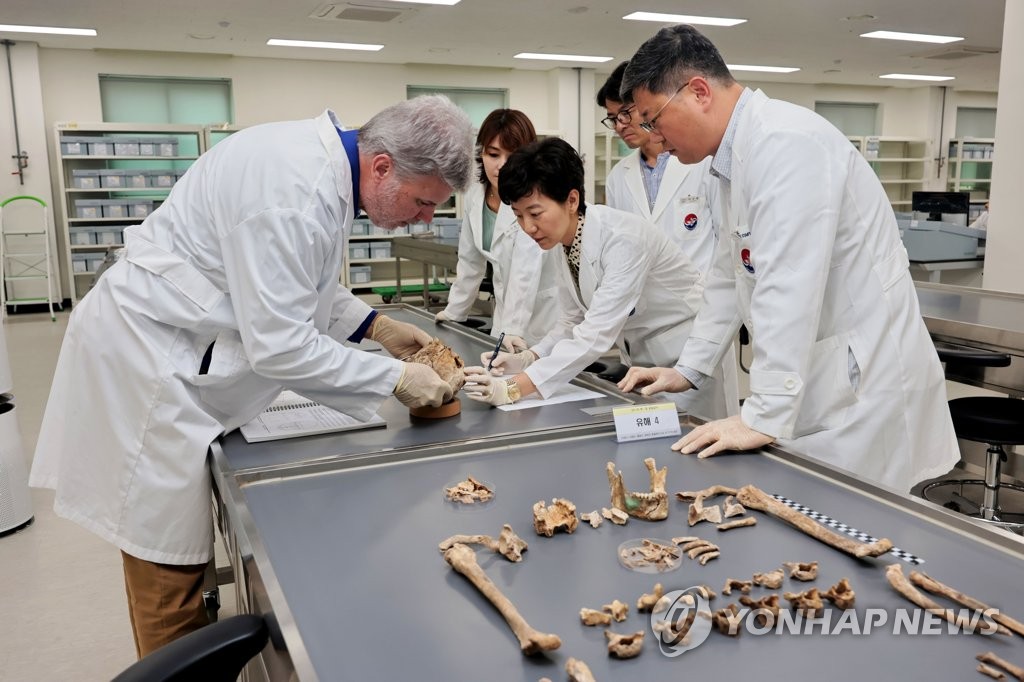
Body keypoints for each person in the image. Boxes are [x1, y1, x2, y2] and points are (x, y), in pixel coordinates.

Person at [29, 95, 475, 657]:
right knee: (167, 567)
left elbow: (295, 281)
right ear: (383, 166)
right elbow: (282, 347)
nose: (425, 219)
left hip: (181, 350)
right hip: (150, 366)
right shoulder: (293, 192)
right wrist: (393, 380)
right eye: (421, 202)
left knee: (177, 558)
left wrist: (372, 323)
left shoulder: (321, 171)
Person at [616, 24, 959, 492]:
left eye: (653, 118)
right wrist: (688, 368)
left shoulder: (786, 144)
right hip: (827, 376)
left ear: (698, 92)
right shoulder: (729, 163)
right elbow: (728, 273)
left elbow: (787, 284)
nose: (651, 134)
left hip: (865, 384)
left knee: (867, 533)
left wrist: (762, 414)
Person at [462, 137, 735, 421]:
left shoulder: (624, 240)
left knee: (697, 443)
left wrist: (513, 388)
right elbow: (571, 321)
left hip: (687, 356)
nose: (528, 227)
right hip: (642, 360)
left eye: (535, 213)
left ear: (571, 200)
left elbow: (594, 335)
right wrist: (529, 357)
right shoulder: (562, 241)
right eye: (518, 216)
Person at [435, 109, 561, 351]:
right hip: (506, 314)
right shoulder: (475, 194)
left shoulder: (534, 198)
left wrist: (512, 331)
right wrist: (454, 313)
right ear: (480, 152)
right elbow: (470, 262)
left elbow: (525, 272)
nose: (502, 165)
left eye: (512, 155)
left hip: (542, 318)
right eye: (493, 154)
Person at [597, 61, 719, 273]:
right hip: (644, 297)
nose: (619, 125)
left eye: (625, 113)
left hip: (700, 297)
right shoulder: (617, 177)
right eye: (612, 119)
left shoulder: (704, 163)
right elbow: (617, 243)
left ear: (646, 107)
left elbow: (724, 236)